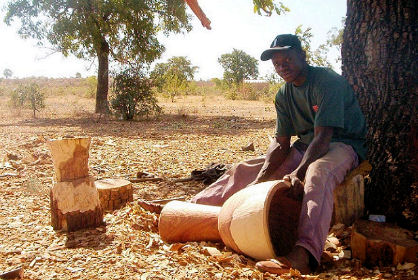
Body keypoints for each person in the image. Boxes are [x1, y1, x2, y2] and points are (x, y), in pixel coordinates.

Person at [191, 34, 367, 274]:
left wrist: (299, 172)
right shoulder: (283, 94)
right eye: (276, 63)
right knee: (247, 168)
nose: (282, 66)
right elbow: (281, 143)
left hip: (341, 145)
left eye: (287, 59)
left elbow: (324, 137)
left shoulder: (327, 81)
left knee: (317, 172)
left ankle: (305, 253)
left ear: (302, 56)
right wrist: (263, 174)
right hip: (307, 146)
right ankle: (192, 207)